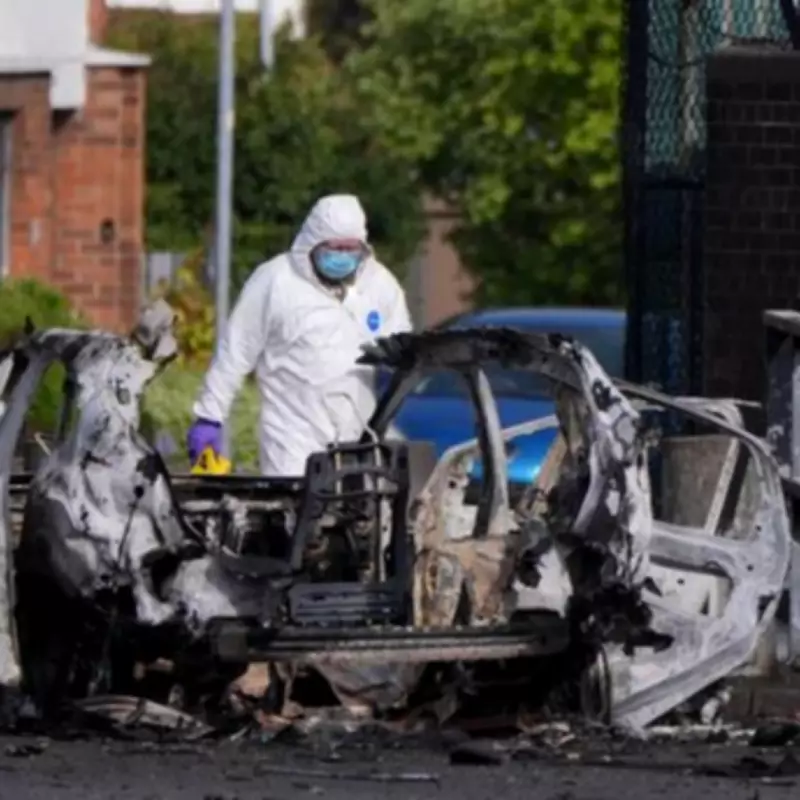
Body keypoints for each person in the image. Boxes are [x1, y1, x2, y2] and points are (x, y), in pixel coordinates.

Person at [186, 193, 413, 477]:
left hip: (359, 439)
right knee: (296, 503)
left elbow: (403, 348)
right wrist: (210, 415)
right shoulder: (276, 281)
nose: (343, 256)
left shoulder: (379, 285)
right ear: (312, 243)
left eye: (351, 248)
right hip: (292, 438)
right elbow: (236, 351)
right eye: (335, 248)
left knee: (362, 505)